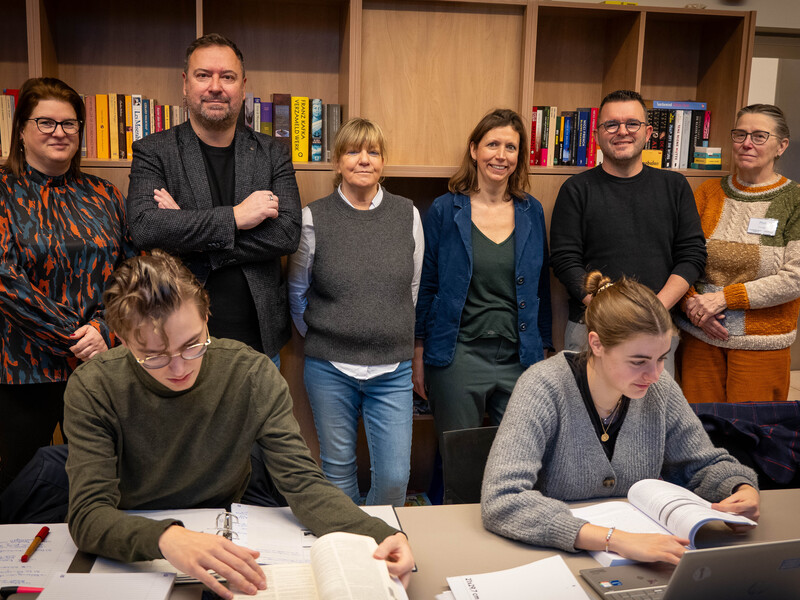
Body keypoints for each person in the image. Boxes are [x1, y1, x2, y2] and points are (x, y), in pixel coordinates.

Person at [64, 251, 413, 600]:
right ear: (123, 341)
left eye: (192, 345)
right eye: (154, 355)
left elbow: (303, 483)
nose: (179, 368)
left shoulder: (250, 373)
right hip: (133, 535)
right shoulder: (94, 386)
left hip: (228, 525)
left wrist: (382, 536)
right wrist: (167, 537)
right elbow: (88, 514)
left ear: (206, 315)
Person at [481, 271, 760, 564]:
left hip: (641, 555)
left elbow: (704, 465)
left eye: (661, 358)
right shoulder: (542, 387)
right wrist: (614, 539)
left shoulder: (659, 387)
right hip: (551, 556)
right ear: (597, 344)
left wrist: (739, 487)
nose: (654, 375)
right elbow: (503, 498)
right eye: (638, 361)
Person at [126, 33, 301, 364]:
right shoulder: (154, 151)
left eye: (228, 77)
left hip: (259, 343)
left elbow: (287, 233)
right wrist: (236, 217)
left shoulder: (272, 152)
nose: (216, 86)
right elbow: (146, 227)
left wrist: (189, 230)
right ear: (185, 83)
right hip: (177, 341)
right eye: (203, 75)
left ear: (243, 86)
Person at [0, 77, 134, 492]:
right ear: (21, 129)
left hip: (100, 366)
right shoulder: (3, 191)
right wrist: (76, 336)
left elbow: (129, 270)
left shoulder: (104, 193)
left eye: (70, 123)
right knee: (19, 486)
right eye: (45, 122)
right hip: (22, 372)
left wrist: (103, 330)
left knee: (102, 481)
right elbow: (5, 280)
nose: (59, 132)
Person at [288, 118, 423, 507]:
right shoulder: (314, 217)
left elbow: (411, 286)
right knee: (337, 470)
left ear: (383, 162)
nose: (363, 160)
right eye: (352, 151)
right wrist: (325, 334)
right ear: (336, 162)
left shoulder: (407, 214)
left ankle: (379, 547)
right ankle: (348, 551)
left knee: (396, 479)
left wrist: (385, 325)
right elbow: (297, 291)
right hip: (330, 368)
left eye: (373, 152)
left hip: (392, 369)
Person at [413, 108, 552, 441]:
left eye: (511, 147)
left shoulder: (532, 211)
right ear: (474, 150)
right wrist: (418, 354)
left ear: (519, 156)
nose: (500, 156)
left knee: (520, 461)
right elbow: (428, 284)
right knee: (461, 467)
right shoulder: (446, 210)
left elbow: (541, 288)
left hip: (520, 358)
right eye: (492, 145)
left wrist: (544, 353)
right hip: (458, 356)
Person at [550, 89, 707, 375]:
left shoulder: (674, 187)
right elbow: (565, 260)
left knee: (650, 417)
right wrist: (611, 312)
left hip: (657, 327)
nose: (622, 131)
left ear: (647, 132)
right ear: (597, 134)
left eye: (631, 124)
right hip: (592, 327)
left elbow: (692, 255)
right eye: (611, 125)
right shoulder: (576, 190)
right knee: (585, 417)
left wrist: (653, 309)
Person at [678, 104, 800, 403]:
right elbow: (678, 258)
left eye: (759, 136)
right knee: (698, 433)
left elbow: (795, 277)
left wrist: (723, 298)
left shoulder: (795, 200)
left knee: (753, 438)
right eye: (740, 134)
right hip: (698, 337)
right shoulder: (707, 193)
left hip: (761, 343)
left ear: (781, 146)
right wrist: (691, 304)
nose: (747, 143)